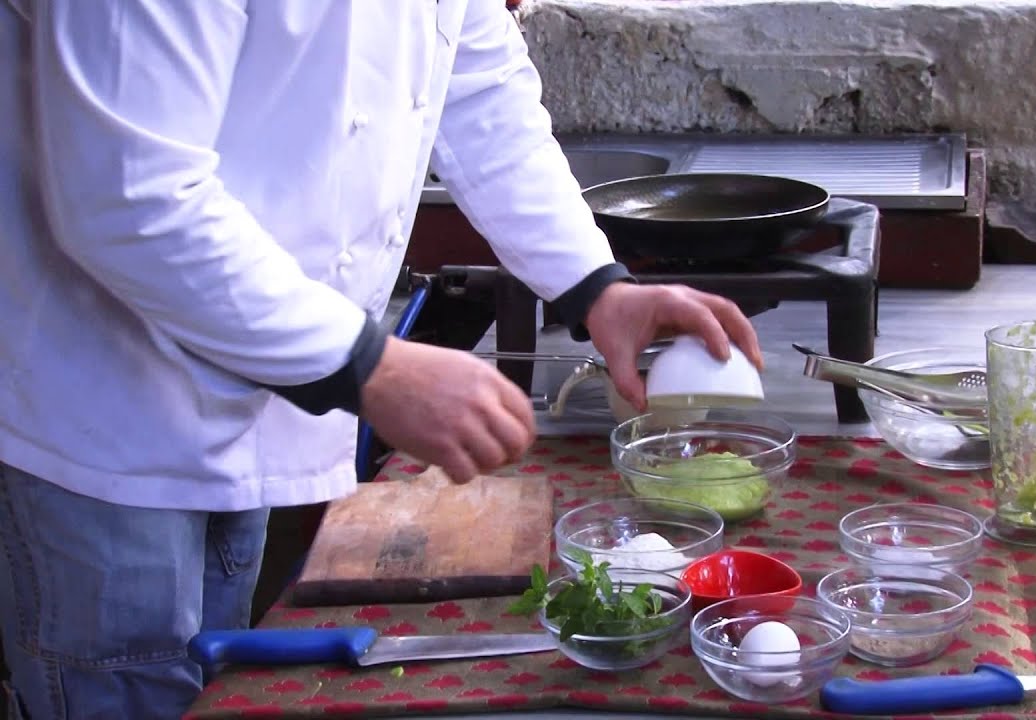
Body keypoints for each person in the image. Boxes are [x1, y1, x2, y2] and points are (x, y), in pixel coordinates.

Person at [0, 2, 763, 718]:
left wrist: (596, 287)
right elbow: (125, 193)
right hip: (102, 410)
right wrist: (370, 365)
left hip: (253, 387)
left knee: (212, 693)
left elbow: (481, 94)